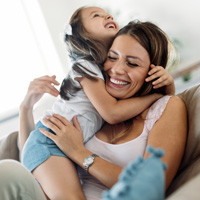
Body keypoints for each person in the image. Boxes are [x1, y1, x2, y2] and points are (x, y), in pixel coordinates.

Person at [20, 6, 175, 200]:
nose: (117, 70)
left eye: (132, 63)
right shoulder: (86, 67)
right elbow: (111, 113)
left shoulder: (101, 76)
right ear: (82, 36)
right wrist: (155, 96)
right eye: (112, 57)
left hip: (54, 145)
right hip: (48, 142)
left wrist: (165, 90)